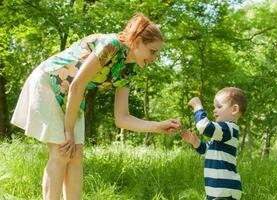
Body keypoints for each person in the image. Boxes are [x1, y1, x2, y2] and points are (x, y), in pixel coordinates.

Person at [11, 13, 181, 200]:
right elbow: (77, 84)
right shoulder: (111, 45)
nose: (155, 58)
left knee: (75, 155)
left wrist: (158, 126)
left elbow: (121, 118)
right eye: (153, 51)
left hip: (71, 94)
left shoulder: (129, 70)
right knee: (62, 151)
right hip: (50, 81)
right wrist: (68, 131)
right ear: (138, 41)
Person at [181, 87, 247, 200]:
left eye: (219, 106)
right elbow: (208, 150)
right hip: (217, 190)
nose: (214, 110)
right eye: (214, 107)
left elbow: (204, 126)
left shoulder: (229, 129)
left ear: (234, 109)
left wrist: (197, 106)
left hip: (225, 191)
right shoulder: (223, 133)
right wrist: (195, 142)